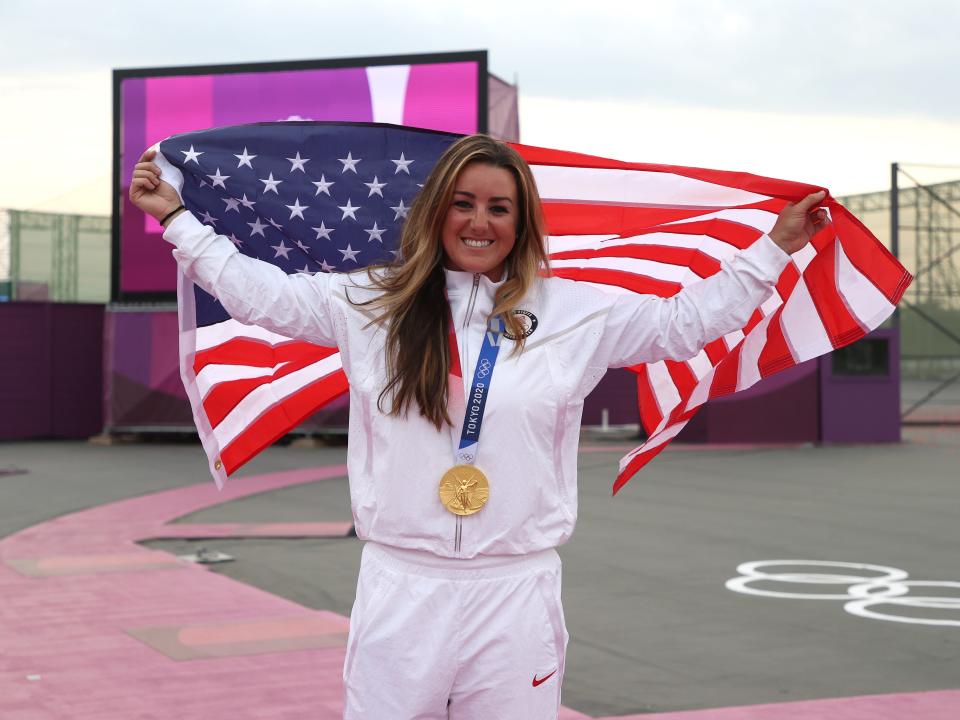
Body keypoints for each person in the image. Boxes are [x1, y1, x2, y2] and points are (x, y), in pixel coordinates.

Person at [130, 134, 826, 719]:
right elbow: (265, 296)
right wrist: (179, 221)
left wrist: (774, 247)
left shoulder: (573, 312)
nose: (479, 222)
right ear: (436, 213)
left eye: (499, 207)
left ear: (522, 222)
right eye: (463, 204)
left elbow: (685, 324)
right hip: (403, 587)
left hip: (515, 591)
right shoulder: (370, 303)